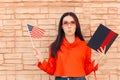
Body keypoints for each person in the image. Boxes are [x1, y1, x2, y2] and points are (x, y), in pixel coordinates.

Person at [33, 12, 106, 80]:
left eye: (72, 23)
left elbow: (86, 70)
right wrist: (41, 58)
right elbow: (51, 71)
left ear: (76, 26)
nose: (69, 26)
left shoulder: (85, 46)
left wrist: (98, 59)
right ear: (62, 26)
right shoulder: (54, 46)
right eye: (65, 23)